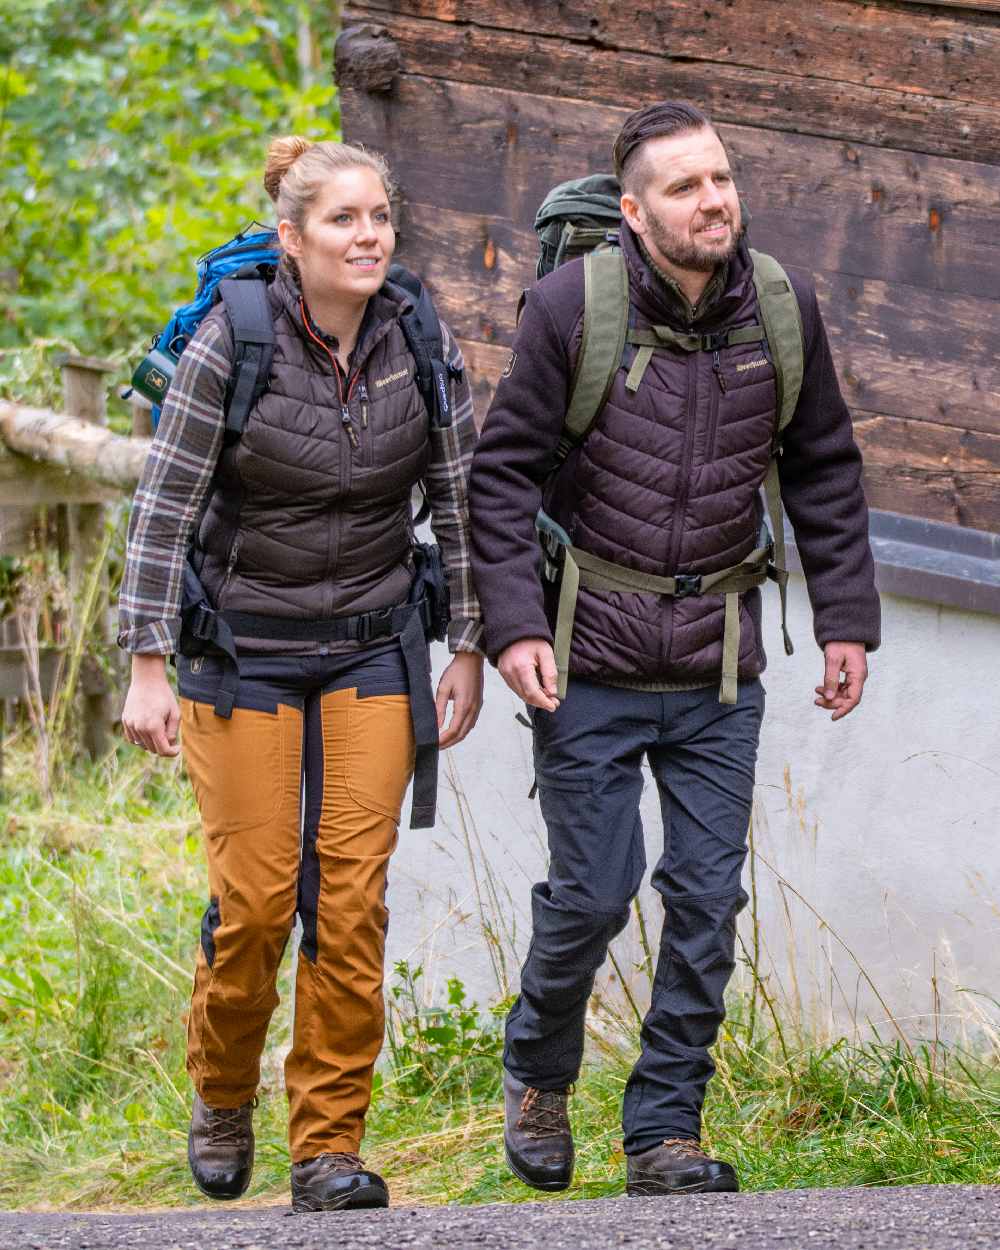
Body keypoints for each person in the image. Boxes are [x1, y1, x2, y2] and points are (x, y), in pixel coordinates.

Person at [468, 101, 880, 1197]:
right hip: (587, 655)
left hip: (716, 664)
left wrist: (845, 618)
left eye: (722, 179)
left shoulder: (781, 308)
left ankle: (662, 1129)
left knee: (706, 901)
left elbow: (824, 465)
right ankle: (539, 1071)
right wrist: (513, 627)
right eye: (686, 187)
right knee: (594, 892)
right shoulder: (572, 307)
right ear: (636, 212)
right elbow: (501, 476)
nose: (714, 201)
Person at [118, 136, 484, 1212]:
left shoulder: (418, 336)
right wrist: (147, 663)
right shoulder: (232, 339)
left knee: (351, 900)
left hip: (372, 645)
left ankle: (328, 1146)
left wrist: (467, 641)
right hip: (242, 651)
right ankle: (222, 1089)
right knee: (257, 902)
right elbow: (164, 507)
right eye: (343, 220)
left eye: (380, 217)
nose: (369, 236)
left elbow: (460, 498)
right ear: (293, 238)